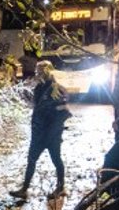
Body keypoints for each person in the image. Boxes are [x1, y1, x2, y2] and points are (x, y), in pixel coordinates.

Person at [9, 60, 72, 200]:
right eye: (37, 71)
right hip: (39, 132)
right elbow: (35, 104)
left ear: (48, 71)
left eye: (40, 71)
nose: (38, 74)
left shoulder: (57, 89)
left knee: (56, 159)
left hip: (50, 134)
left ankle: (60, 188)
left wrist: (53, 130)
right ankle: (24, 189)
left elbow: (64, 111)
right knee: (32, 160)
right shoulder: (39, 88)